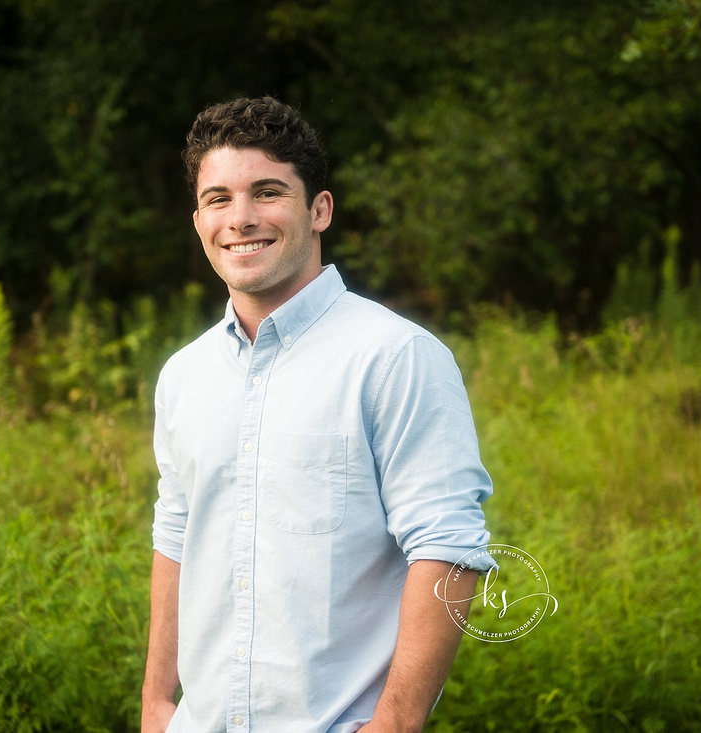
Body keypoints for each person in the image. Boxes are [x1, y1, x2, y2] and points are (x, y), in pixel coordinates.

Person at [142, 96, 496, 733]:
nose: (241, 218)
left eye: (268, 192)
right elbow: (176, 537)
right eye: (219, 198)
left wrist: (395, 725)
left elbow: (448, 548)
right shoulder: (183, 377)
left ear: (320, 210)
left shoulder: (396, 358)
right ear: (197, 219)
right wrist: (155, 705)